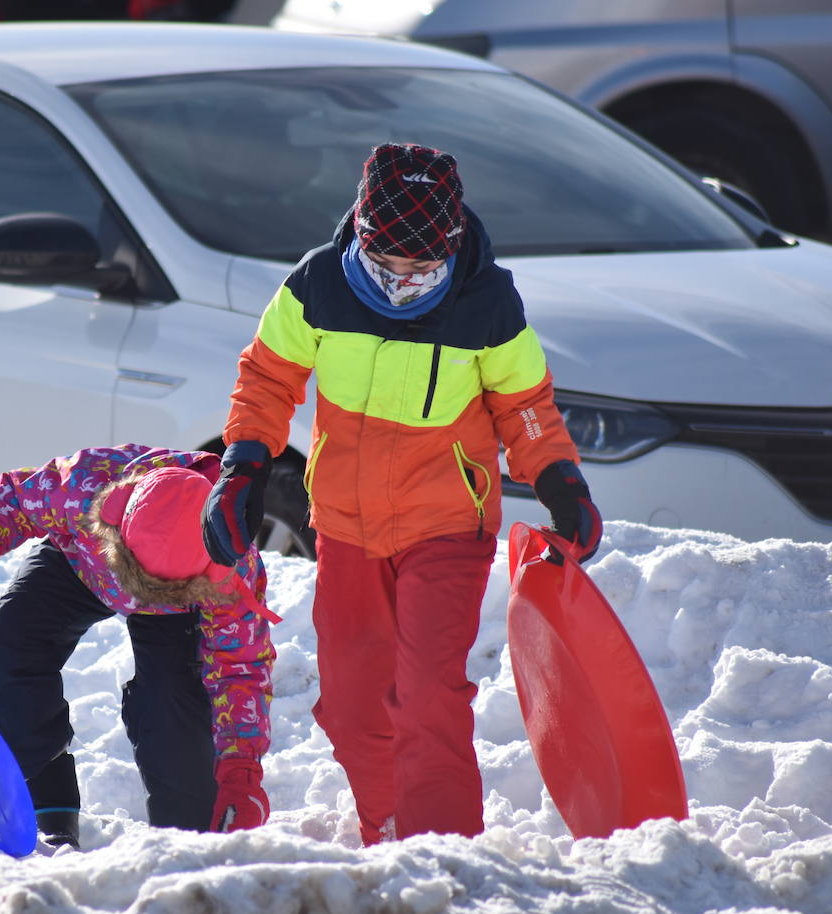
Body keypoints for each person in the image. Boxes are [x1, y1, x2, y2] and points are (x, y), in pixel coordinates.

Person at [202, 143, 601, 845]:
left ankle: (441, 851)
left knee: (428, 697)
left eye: (421, 268)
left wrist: (559, 480)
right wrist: (243, 467)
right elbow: (266, 379)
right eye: (386, 265)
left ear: (448, 246)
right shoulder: (318, 285)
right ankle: (386, 823)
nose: (401, 281)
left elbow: (525, 405)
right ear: (360, 232)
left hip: (447, 521)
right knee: (353, 705)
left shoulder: (486, 301)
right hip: (347, 526)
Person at [0, 444, 277, 850]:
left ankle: (186, 842)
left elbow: (240, 671)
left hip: (181, 607)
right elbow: (17, 499)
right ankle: (44, 805)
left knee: (173, 706)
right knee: (8, 645)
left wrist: (241, 769)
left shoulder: (230, 570)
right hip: (86, 563)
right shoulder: (88, 484)